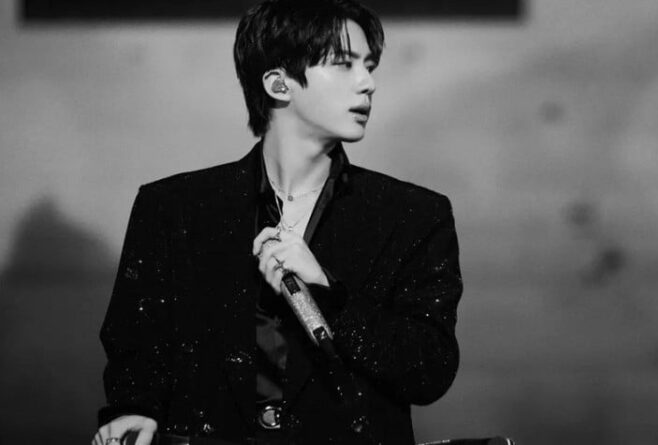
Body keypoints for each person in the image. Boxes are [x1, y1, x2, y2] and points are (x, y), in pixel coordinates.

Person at [92, 0, 462, 444]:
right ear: (278, 83)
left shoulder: (413, 215)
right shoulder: (175, 210)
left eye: (369, 66)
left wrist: (329, 292)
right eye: (344, 64)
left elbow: (429, 370)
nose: (368, 83)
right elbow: (137, 348)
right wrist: (135, 411)